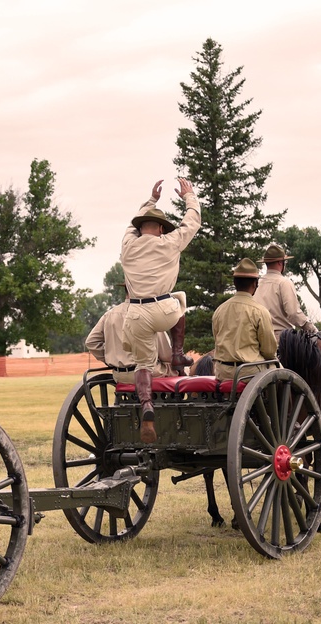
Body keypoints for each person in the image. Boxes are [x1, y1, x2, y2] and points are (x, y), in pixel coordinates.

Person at [121, 177, 202, 443]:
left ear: (141, 227)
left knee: (144, 364)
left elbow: (130, 228)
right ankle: (177, 354)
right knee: (180, 298)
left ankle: (146, 405)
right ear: (158, 228)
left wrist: (150, 201)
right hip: (163, 311)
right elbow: (192, 222)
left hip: (134, 315)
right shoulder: (169, 243)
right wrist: (189, 196)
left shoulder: (128, 246)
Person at [211, 258, 278, 382]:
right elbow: (269, 351)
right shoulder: (260, 311)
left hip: (222, 372)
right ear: (255, 284)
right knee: (280, 370)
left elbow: (217, 339)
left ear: (235, 283)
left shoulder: (219, 310)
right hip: (248, 373)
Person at [85, 300, 177, 384]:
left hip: (119, 376)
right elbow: (167, 356)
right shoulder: (149, 314)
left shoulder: (110, 314)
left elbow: (91, 342)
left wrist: (110, 357)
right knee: (184, 370)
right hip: (147, 374)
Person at [254, 242, 317, 341]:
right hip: (281, 340)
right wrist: (309, 326)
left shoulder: (257, 283)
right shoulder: (284, 282)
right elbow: (293, 314)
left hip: (257, 338)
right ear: (280, 262)